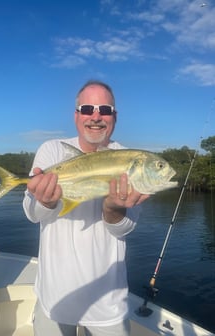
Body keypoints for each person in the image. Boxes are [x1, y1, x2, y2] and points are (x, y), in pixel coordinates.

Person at [23, 80, 149, 336]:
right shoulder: (52, 150)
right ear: (76, 115)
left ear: (114, 116)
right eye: (88, 108)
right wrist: (46, 201)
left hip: (107, 303)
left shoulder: (130, 160)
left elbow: (124, 229)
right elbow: (31, 213)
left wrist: (113, 208)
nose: (96, 116)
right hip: (54, 297)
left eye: (104, 109)